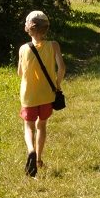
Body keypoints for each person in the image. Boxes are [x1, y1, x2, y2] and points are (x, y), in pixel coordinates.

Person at [17, 10, 65, 177]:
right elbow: (62, 67)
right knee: (41, 125)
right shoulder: (54, 45)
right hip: (47, 95)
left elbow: (20, 73)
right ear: (46, 28)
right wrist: (57, 83)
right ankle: (38, 159)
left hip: (28, 96)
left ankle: (30, 150)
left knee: (29, 127)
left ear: (27, 28)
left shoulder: (23, 49)